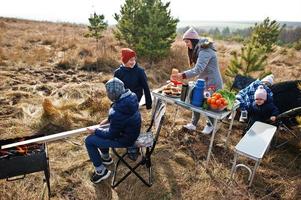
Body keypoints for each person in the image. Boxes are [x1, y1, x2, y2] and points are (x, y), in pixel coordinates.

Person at [85, 77, 141, 184]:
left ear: (112, 95)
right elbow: (123, 117)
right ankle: (106, 158)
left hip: (126, 139)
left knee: (89, 141)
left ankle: (101, 172)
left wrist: (95, 131)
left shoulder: (118, 113)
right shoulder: (131, 97)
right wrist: (108, 120)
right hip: (132, 132)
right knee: (102, 130)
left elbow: (111, 134)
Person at [171, 27, 223, 134]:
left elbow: (198, 69)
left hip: (212, 82)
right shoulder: (198, 49)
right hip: (203, 81)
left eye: (187, 42)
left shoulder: (205, 50)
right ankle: (193, 124)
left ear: (193, 41)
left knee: (209, 104)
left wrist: (182, 75)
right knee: (196, 100)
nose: (186, 45)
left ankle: (211, 125)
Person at [114, 48, 152, 160]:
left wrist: (148, 103)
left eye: (134, 59)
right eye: (130, 60)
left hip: (135, 101)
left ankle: (133, 146)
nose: (132, 62)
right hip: (121, 101)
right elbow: (115, 89)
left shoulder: (139, 72)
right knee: (121, 120)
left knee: (133, 122)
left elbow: (146, 87)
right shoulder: (118, 72)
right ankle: (123, 139)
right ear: (124, 60)